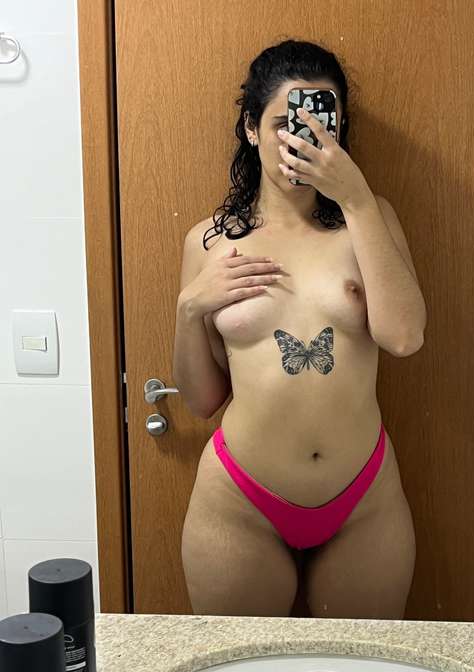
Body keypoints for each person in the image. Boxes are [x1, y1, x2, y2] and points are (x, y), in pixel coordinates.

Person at [173, 39, 426, 618]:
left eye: (319, 122)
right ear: (251, 129)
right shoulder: (210, 241)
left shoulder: (372, 220)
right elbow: (201, 400)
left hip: (364, 500)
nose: (301, 138)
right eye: (284, 122)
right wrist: (190, 309)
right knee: (241, 668)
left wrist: (356, 199)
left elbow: (405, 337)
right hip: (239, 501)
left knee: (360, 664)